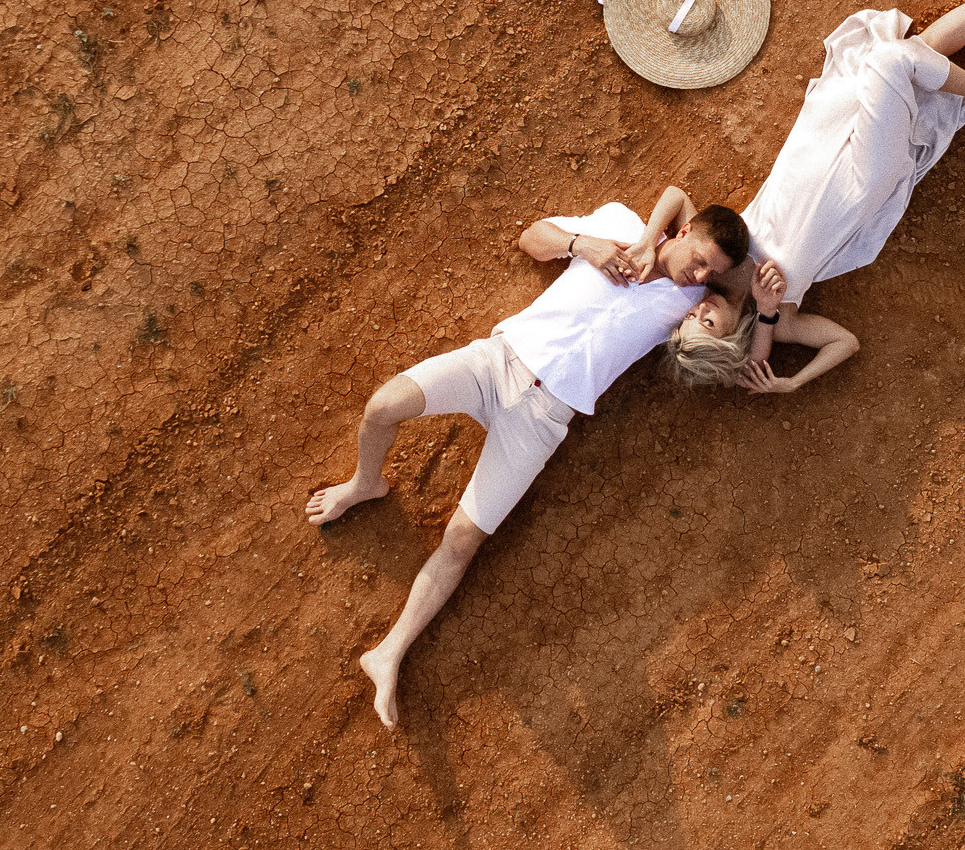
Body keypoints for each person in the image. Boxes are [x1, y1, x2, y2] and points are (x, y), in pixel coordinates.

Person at [304, 186, 749, 727]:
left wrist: (754, 303)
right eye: (699, 261)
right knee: (382, 406)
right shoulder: (615, 224)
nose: (701, 276)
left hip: (542, 420)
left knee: (462, 539)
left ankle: (388, 654)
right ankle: (363, 483)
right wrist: (587, 245)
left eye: (711, 273)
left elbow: (738, 279)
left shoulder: (692, 305)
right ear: (684, 233)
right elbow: (533, 239)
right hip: (496, 362)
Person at [667, 0, 965, 391]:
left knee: (918, 52)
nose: (701, 310)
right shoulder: (779, 319)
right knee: (894, 60)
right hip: (859, 182)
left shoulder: (712, 265)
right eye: (707, 324)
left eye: (691, 317)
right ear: (731, 339)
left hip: (819, 137)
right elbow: (844, 342)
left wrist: (645, 244)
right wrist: (790, 380)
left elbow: (679, 205)